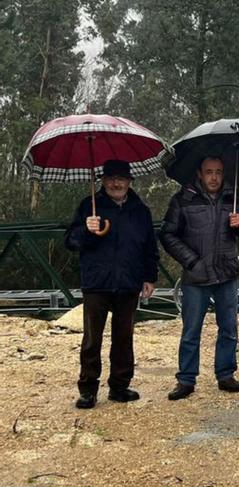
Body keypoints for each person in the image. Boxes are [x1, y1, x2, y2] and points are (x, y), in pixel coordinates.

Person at [64, 159, 158, 409]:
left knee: (124, 337)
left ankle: (119, 385)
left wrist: (150, 276)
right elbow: (70, 241)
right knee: (92, 338)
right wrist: (86, 229)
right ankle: (88, 390)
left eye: (121, 178)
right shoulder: (89, 206)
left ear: (129, 181)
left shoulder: (141, 210)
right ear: (103, 181)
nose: (116, 183)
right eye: (111, 178)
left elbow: (150, 246)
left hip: (129, 282)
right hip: (97, 282)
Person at [160, 156, 239, 400]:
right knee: (191, 330)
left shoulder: (234, 198)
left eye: (218, 172)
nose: (214, 177)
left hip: (227, 274)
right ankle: (186, 379)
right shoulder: (183, 199)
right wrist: (191, 261)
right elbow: (168, 235)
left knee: (229, 329)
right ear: (200, 174)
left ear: (224, 174)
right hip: (196, 276)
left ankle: (225, 375)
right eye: (209, 172)